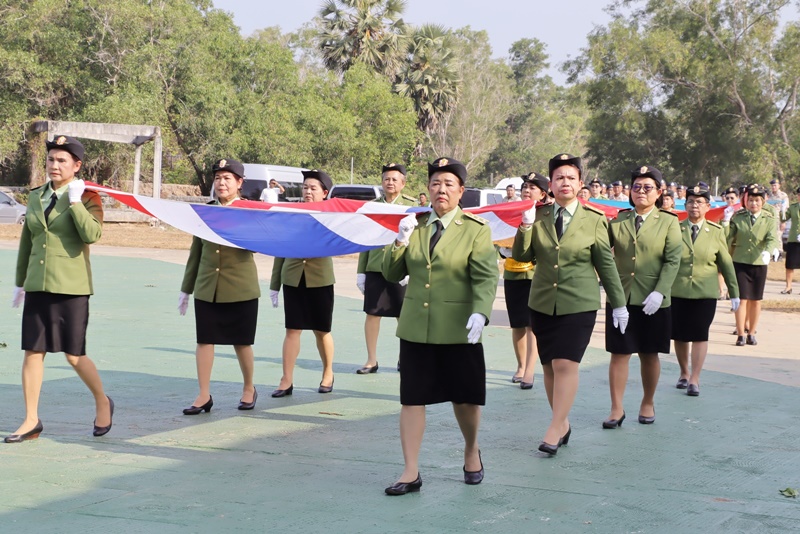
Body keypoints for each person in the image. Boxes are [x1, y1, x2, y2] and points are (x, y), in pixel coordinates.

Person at [382, 157, 498, 495]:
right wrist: (400, 241)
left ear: (461, 191)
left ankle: (471, 448)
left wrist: (481, 312)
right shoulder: (414, 225)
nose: (441, 189)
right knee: (412, 398)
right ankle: (410, 471)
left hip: (459, 327)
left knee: (464, 399)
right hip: (417, 326)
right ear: (427, 189)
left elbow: (486, 276)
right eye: (435, 183)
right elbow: (391, 274)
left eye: (448, 184)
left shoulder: (475, 230)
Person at [513, 153, 628, 455]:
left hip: (579, 302)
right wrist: (524, 227)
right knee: (549, 366)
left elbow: (605, 264)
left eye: (571, 178)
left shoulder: (595, 220)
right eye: (559, 178)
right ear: (550, 185)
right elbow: (523, 257)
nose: (565, 182)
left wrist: (619, 304)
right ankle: (562, 423)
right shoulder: (538, 216)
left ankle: (554, 426)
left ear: (580, 184)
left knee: (566, 363)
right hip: (542, 302)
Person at [8, 135, 113, 442]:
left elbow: (92, 234)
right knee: (33, 351)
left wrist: (77, 201)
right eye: (51, 159)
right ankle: (30, 419)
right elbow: (28, 240)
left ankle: (102, 401)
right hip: (39, 284)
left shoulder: (89, 196)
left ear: (76, 166)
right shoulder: (36, 195)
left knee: (74, 355)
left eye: (62, 160)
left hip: (71, 286)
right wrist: (20, 282)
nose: (54, 165)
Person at [179, 158, 260, 415]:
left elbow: (258, 244)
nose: (221, 183)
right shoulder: (206, 211)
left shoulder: (250, 211)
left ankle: (249, 388)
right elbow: (196, 251)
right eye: (217, 178)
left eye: (227, 178)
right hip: (208, 286)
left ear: (239, 183)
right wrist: (186, 288)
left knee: (242, 342)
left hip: (240, 287)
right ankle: (203, 395)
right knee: (205, 341)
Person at [605, 165, 681, 428]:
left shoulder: (669, 222)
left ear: (659, 192)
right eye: (636, 187)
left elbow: (673, 261)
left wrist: (660, 292)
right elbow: (604, 256)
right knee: (619, 353)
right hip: (621, 298)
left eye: (648, 187)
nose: (641, 192)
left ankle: (647, 402)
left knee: (650, 353)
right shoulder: (618, 220)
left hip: (654, 300)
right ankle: (616, 408)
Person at [270, 170, 336, 396]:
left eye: (313, 188)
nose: (307, 191)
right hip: (293, 276)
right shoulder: (291, 213)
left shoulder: (332, 216)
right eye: (305, 187)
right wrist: (274, 283)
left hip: (320, 279)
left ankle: (328, 373)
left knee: (322, 330)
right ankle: (286, 379)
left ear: (324, 193)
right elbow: (281, 247)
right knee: (292, 329)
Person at [671, 183, 739, 396]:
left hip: (705, 292)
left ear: (708, 206)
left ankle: (695, 378)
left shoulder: (716, 231)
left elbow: (726, 263)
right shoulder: (675, 228)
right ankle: (683, 372)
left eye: (699, 203)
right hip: (678, 290)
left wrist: (734, 292)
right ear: (685, 204)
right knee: (680, 335)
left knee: (700, 334)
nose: (694, 206)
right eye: (690, 202)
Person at [355, 163, 416, 374]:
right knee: (372, 314)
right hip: (376, 267)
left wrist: (410, 269)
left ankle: (405, 358)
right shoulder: (372, 206)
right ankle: (371, 360)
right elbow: (365, 239)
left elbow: (415, 241)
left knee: (404, 315)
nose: (390, 182)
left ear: (403, 183)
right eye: (386, 179)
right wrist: (361, 271)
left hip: (400, 269)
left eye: (394, 179)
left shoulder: (412, 207)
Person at [498, 172, 548, 389]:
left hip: (535, 274)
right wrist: (503, 249)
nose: (527, 191)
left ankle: (529, 371)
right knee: (517, 323)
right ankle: (520, 366)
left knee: (531, 325)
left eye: (532, 187)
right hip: (512, 272)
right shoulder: (511, 212)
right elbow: (500, 238)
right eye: (525, 187)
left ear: (543, 193)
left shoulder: (545, 214)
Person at [727, 184, 780, 346]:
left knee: (756, 300)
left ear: (763, 202)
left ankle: (752, 333)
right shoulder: (738, 217)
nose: (753, 204)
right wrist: (724, 225)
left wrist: (769, 251)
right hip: (740, 262)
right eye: (750, 200)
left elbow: (772, 238)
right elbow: (729, 237)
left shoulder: (769, 219)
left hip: (759, 262)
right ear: (746, 200)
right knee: (741, 299)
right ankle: (741, 333)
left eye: (757, 200)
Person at [781, 186, 800, 294]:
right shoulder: (793, 207)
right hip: (793, 239)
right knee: (790, 264)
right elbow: (783, 218)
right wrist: (783, 210)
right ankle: (788, 287)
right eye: (799, 195)